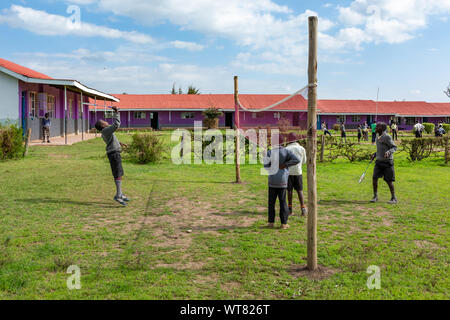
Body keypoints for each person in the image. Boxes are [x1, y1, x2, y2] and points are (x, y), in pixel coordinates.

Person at [95, 106, 129, 206]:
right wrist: (116, 112)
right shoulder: (106, 130)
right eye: (103, 121)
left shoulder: (106, 132)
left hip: (115, 153)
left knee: (119, 173)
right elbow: (116, 124)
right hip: (114, 154)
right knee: (118, 174)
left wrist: (120, 143)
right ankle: (118, 195)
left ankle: (120, 193)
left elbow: (112, 140)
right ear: (102, 125)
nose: (106, 121)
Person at [263, 141, 301, 229]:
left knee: (271, 202)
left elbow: (266, 166)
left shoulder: (269, 152)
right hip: (283, 180)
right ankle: (283, 223)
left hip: (272, 180)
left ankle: (270, 222)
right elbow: (297, 160)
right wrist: (285, 165)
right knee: (283, 202)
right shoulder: (286, 151)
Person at [370, 122, 398, 204]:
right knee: (374, 178)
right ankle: (375, 196)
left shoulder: (387, 137)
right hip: (378, 162)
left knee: (389, 181)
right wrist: (375, 154)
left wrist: (389, 152)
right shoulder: (377, 137)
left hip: (387, 162)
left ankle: (394, 198)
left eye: (377, 127)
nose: (375, 128)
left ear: (382, 128)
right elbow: (380, 149)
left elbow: (394, 147)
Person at [284, 133, 307, 216]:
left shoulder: (286, 149)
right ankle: (303, 208)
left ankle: (290, 209)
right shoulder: (301, 148)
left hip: (288, 172)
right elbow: (304, 161)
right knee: (299, 190)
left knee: (289, 191)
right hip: (298, 172)